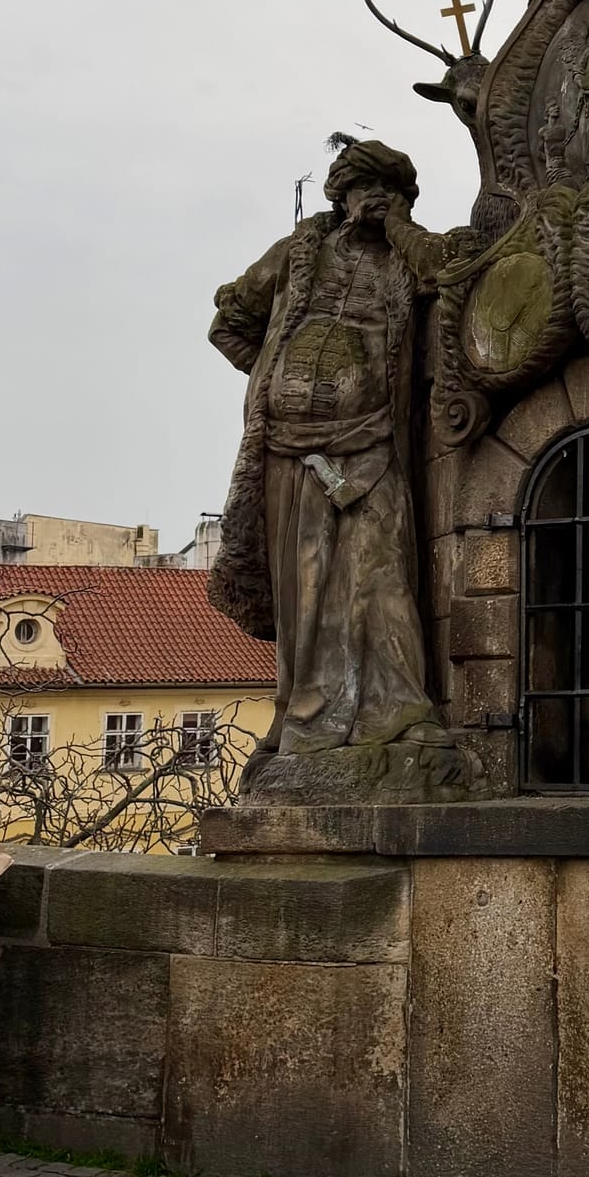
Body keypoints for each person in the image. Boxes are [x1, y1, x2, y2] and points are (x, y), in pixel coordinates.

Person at [208, 136, 451, 776]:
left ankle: (400, 713)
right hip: (288, 451)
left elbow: (451, 275)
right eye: (364, 189)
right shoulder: (298, 254)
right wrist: (275, 378)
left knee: (381, 578)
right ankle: (303, 717)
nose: (374, 200)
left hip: (372, 442)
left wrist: (400, 230)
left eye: (388, 191)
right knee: (305, 593)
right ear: (341, 197)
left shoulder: (408, 257)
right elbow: (228, 322)